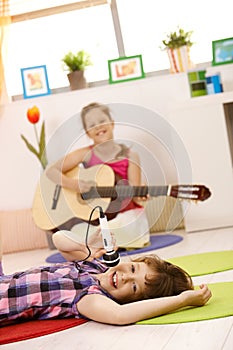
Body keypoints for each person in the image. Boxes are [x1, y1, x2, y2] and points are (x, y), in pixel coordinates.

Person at [0, 228, 212, 326]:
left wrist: (182, 300)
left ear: (133, 301)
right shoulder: (95, 264)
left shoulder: (90, 297)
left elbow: (121, 316)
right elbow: (59, 239)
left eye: (135, 288)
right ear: (131, 260)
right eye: (132, 270)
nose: (126, 278)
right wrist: (89, 248)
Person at [46, 102, 150, 249]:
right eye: (92, 125)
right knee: (78, 231)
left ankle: (105, 243)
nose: (98, 127)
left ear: (112, 123)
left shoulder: (131, 156)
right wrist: (74, 185)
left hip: (125, 215)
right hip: (98, 217)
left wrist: (141, 194)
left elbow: (134, 192)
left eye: (102, 121)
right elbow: (51, 171)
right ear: (87, 132)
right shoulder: (86, 154)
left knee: (120, 227)